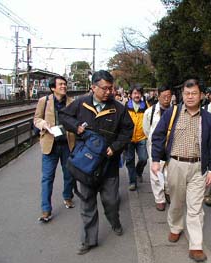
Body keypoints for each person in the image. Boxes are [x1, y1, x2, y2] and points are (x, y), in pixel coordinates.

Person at [59, 70, 134, 255]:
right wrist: (75, 127)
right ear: (93, 87)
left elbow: (128, 131)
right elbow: (64, 115)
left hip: (108, 166)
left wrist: (115, 147)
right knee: (87, 202)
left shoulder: (118, 108)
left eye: (111, 88)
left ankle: (115, 222)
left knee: (110, 201)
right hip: (86, 165)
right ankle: (88, 240)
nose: (109, 92)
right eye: (105, 88)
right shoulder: (81, 104)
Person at [151, 79, 211, 262]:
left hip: (199, 167)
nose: (190, 97)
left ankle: (196, 245)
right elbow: (157, 136)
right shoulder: (172, 113)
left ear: (201, 95)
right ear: (182, 95)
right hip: (175, 165)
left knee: (196, 208)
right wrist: (156, 160)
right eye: (187, 93)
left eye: (194, 93)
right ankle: (175, 227)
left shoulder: (208, 118)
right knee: (176, 201)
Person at [34, 76, 76, 223]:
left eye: (65, 84)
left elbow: (77, 120)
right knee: (47, 178)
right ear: (53, 88)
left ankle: (67, 197)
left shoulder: (72, 102)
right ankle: (46, 209)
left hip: (68, 144)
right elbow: (36, 119)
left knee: (69, 174)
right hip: (50, 145)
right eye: (60, 84)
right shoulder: (44, 101)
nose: (64, 86)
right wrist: (43, 124)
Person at [143, 86, 172, 211]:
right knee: (156, 172)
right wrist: (155, 141)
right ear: (158, 96)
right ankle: (159, 199)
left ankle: (168, 191)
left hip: (171, 145)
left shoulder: (176, 111)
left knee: (170, 172)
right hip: (156, 145)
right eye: (164, 96)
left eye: (169, 96)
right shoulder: (150, 112)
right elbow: (146, 130)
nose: (166, 99)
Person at [125, 84, 149, 191]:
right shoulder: (125, 106)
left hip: (141, 137)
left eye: (138, 93)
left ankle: (138, 171)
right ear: (130, 95)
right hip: (129, 138)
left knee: (144, 158)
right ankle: (132, 181)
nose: (137, 95)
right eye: (134, 93)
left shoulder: (146, 106)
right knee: (129, 160)